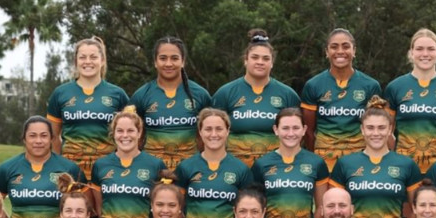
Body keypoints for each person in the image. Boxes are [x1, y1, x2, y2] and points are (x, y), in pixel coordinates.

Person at [330, 95, 422, 218]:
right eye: (370, 128)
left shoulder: (407, 164)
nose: (376, 133)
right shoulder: (345, 164)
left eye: (381, 128)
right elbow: (333, 209)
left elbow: (416, 211)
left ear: (390, 129)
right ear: (362, 130)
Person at [91, 106, 166, 218]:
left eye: (130, 130)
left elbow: (162, 208)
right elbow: (99, 208)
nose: (125, 136)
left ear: (139, 133)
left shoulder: (155, 165)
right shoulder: (101, 165)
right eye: (120, 131)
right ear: (113, 134)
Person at [212, 29, 301, 167]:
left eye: (266, 58)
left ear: (272, 63)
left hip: (276, 167)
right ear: (245, 60)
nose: (260, 62)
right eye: (255, 57)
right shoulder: (225, 93)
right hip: (234, 167)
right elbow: (211, 133)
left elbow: (297, 136)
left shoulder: (288, 94)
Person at [383, 28, 436, 173]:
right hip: (403, 169)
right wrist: (398, 155)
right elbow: (385, 132)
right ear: (411, 53)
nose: (425, 54)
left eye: (430, 49)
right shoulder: (395, 87)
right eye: (419, 49)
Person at [47, 37, 128, 181]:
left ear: (102, 60)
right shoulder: (60, 93)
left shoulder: (118, 94)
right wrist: (59, 164)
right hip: (71, 172)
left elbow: (130, 134)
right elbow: (53, 137)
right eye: (82, 57)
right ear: (76, 61)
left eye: (93, 57)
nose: (88, 62)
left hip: (109, 172)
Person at [300, 28, 382, 171]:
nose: (340, 51)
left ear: (354, 51)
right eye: (334, 47)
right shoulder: (313, 85)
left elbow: (376, 127)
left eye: (345, 46)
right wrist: (316, 158)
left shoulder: (370, 85)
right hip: (324, 159)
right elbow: (308, 131)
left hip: (359, 159)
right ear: (326, 52)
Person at [175, 108, 254, 218]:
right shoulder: (186, 167)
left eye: (219, 129)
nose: (213, 134)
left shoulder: (241, 169)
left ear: (227, 131)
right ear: (200, 132)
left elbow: (247, 211)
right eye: (208, 129)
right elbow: (177, 209)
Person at [253, 108, 329, 218]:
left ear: (304, 129)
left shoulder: (317, 163)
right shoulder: (262, 164)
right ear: (276, 130)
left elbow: (321, 207)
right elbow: (256, 207)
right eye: (285, 128)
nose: (291, 133)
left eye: (296, 128)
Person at [129, 36, 212, 170]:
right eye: (163, 58)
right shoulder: (141, 95)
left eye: (174, 58)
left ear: (183, 61)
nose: (168, 64)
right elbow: (132, 136)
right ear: (155, 62)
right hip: (152, 171)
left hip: (191, 171)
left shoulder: (200, 95)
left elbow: (210, 135)